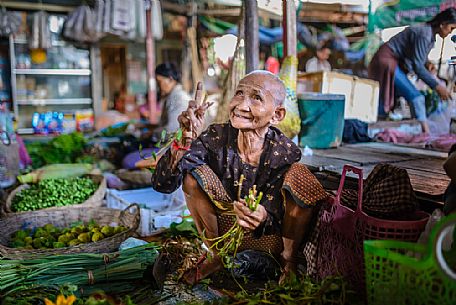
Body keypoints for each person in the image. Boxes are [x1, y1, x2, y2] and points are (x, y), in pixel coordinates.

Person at [151, 71, 327, 284]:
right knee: (191, 175)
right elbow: (163, 184)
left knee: (301, 177)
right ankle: (216, 255)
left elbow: (276, 211)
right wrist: (184, 139)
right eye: (239, 94)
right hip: (224, 234)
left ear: (277, 115)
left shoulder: (284, 151)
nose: (241, 105)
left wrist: (261, 215)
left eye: (256, 97)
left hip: (268, 238)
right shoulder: (216, 137)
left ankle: (287, 263)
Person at [368, 8, 456, 134]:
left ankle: (381, 130)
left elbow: (419, 59)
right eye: (451, 28)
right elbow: (417, 66)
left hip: (392, 61)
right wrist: (437, 87)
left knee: (388, 101)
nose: (450, 33)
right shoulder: (424, 34)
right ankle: (425, 134)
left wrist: (427, 63)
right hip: (387, 61)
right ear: (442, 25)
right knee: (416, 97)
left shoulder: (428, 34)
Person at [141, 62, 191, 135]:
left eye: (159, 82)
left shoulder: (179, 98)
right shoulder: (171, 96)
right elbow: (164, 125)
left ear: (170, 79)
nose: (159, 86)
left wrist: (151, 133)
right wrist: (147, 126)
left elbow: (172, 129)